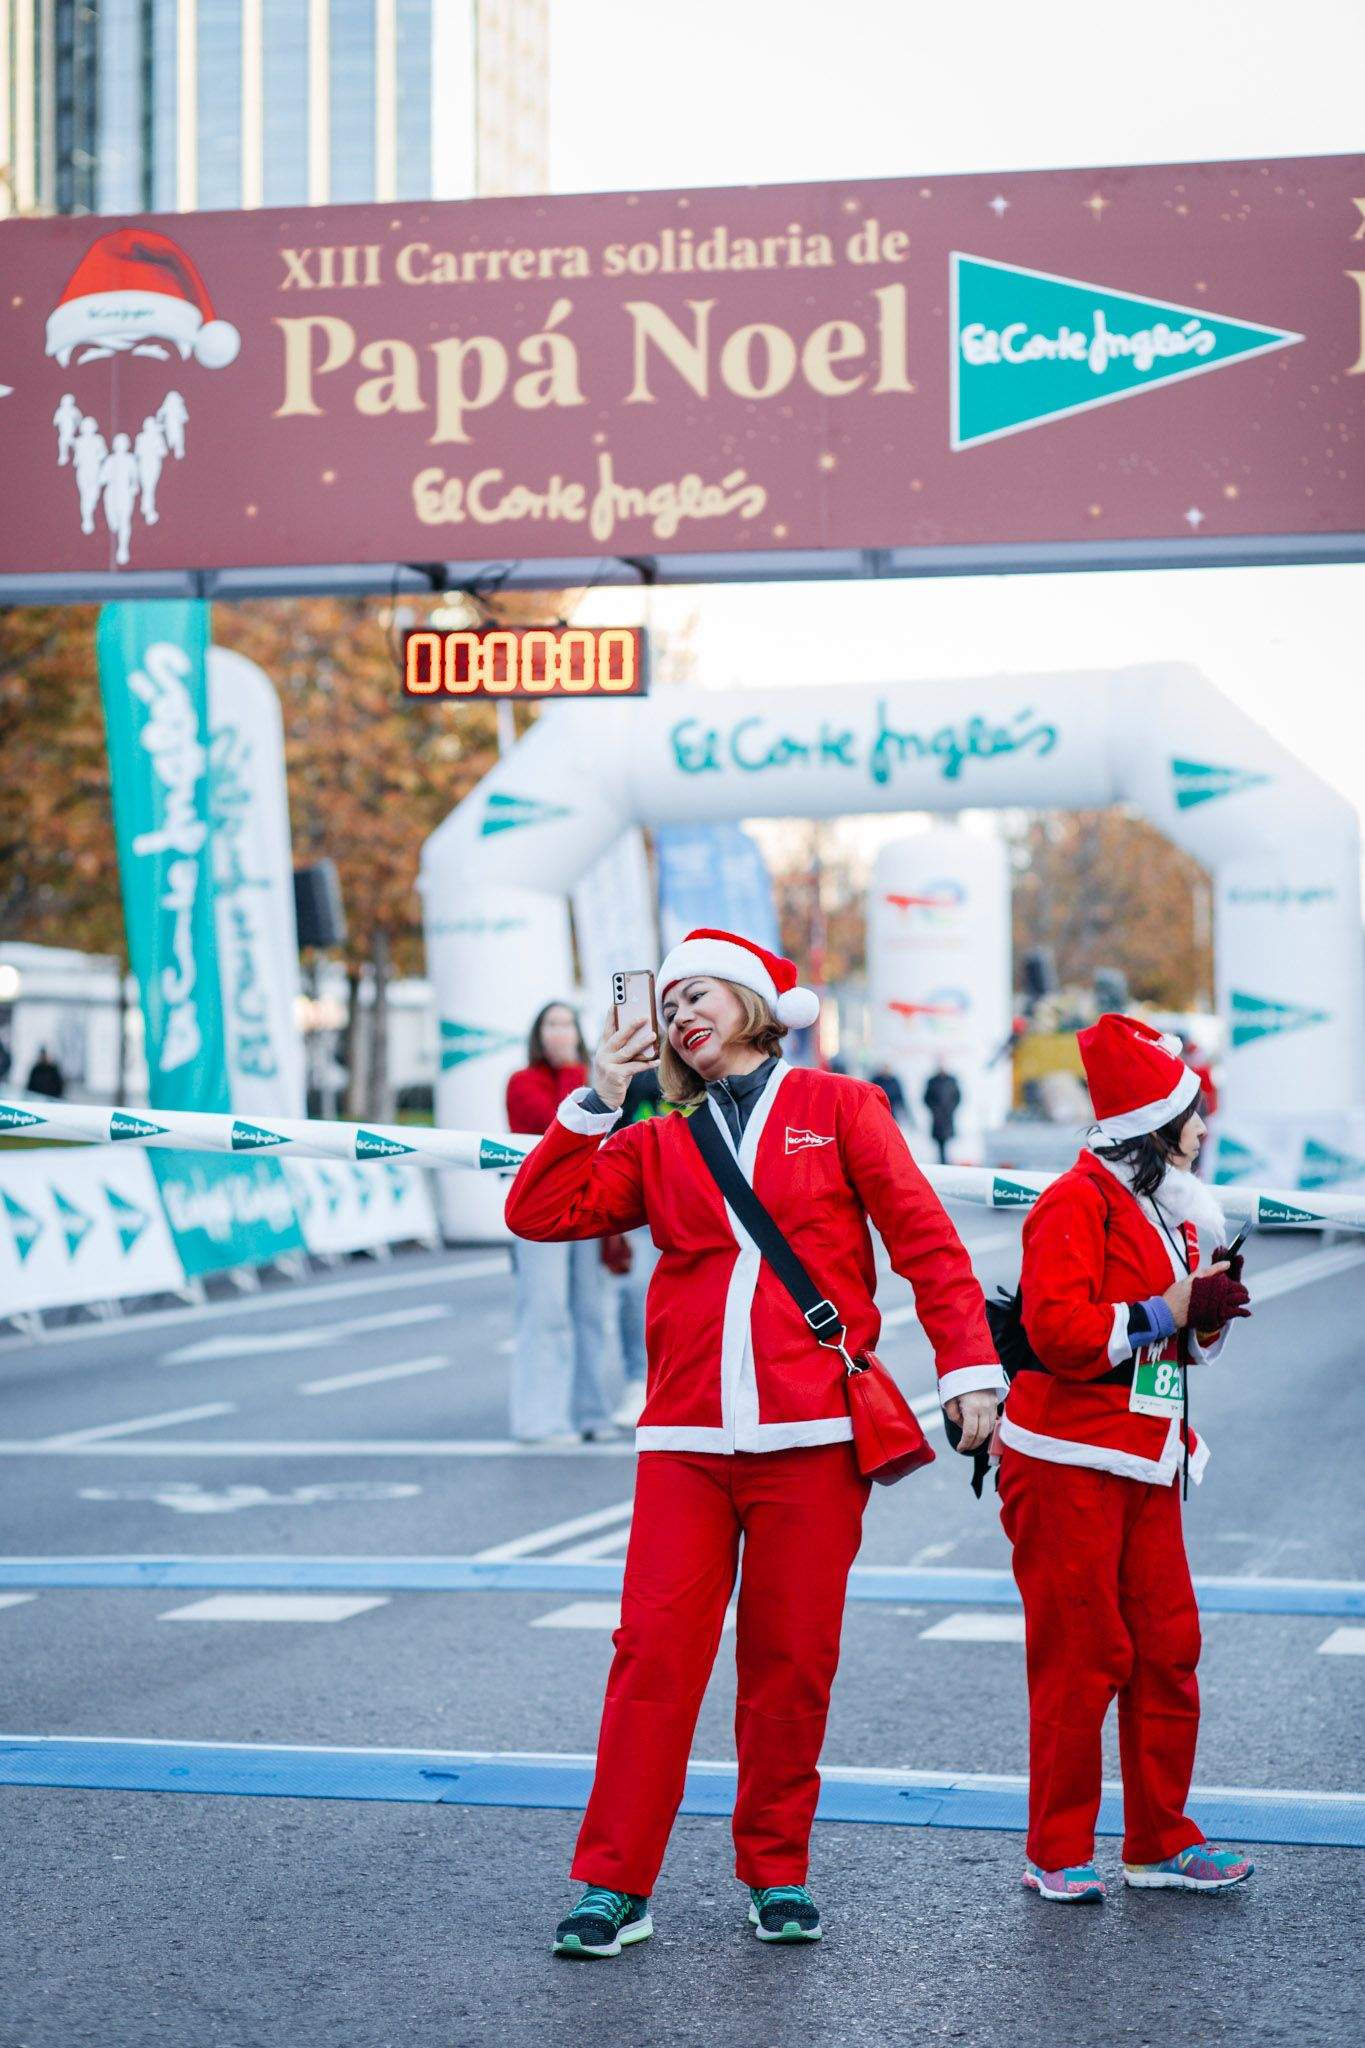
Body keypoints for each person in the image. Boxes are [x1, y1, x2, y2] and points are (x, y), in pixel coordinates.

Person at [505, 928, 1002, 1958]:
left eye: (702, 994)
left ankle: (776, 1869)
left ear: (755, 999)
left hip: (815, 1431)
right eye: (671, 1000)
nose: (684, 1012)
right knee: (651, 1655)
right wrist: (601, 1088)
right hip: (685, 1433)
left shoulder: (841, 1107)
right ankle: (613, 1881)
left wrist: (967, 1371)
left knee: (790, 1660)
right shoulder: (654, 1131)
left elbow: (925, 1240)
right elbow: (538, 1205)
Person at [999, 1013, 1254, 1904]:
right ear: (1152, 1126)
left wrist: (1206, 1315)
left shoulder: (1162, 1205)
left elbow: (1174, 1340)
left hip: (1146, 1458)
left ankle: (1157, 1841)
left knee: (1167, 1645)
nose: (1203, 1128)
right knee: (1083, 1654)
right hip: (1065, 1459)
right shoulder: (1072, 1201)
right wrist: (1167, 1310)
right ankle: (1056, 1849)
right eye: (1192, 1115)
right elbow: (1057, 1333)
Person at [504, 1002, 614, 1446]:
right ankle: (539, 1419)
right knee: (545, 1311)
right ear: (538, 1033)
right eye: (552, 1024)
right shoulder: (521, 1082)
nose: (560, 1032)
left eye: (567, 1024)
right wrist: (574, 1071)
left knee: (589, 1312)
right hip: (539, 1209)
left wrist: (581, 1075)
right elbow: (558, 1120)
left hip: (584, 1201)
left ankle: (592, 1412)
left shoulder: (588, 1078)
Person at [607, 1068, 668, 1430]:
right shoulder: (632, 1072)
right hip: (643, 1208)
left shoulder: (708, 1060)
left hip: (697, 1204)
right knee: (635, 1294)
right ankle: (637, 1384)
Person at [922, 1060, 961, 1164]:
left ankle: (946, 1160)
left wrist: (951, 1109)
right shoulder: (932, 1081)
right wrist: (935, 1110)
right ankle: (942, 1160)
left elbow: (957, 1097)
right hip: (937, 1116)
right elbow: (926, 1098)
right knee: (939, 1140)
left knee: (947, 1138)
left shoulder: (952, 1080)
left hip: (948, 1115)